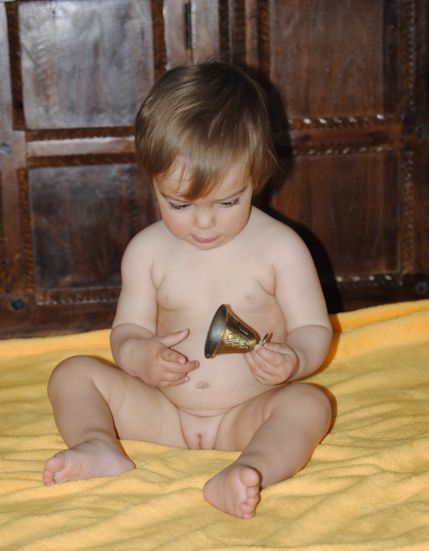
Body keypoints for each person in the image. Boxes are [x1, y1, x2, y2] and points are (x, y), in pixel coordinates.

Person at [43, 61, 333, 519]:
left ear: (256, 175)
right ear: (152, 181)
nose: (204, 222)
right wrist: (140, 356)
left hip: (246, 414)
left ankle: (250, 469)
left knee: (310, 404)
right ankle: (98, 444)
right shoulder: (147, 251)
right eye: (179, 204)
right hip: (164, 413)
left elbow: (314, 329)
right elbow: (127, 330)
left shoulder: (281, 248)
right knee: (72, 373)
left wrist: (294, 358)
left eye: (228, 201)